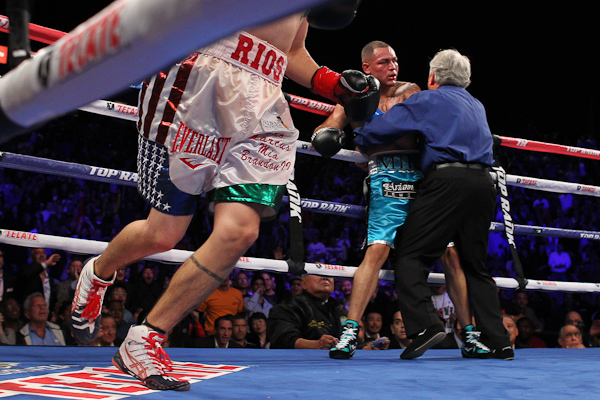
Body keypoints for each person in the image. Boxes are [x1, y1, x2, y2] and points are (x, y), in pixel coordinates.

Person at [70, 4, 373, 391]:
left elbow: (289, 51)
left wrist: (330, 83)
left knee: (240, 231)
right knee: (163, 233)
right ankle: (97, 273)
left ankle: (144, 339)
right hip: (196, 80)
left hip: (261, 100)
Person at [317, 41, 477, 360]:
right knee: (376, 252)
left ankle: (469, 333)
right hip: (384, 180)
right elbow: (326, 130)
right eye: (385, 61)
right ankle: (350, 332)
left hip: (421, 178)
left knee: (451, 257)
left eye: (396, 60)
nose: (393, 66)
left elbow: (417, 131)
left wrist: (369, 139)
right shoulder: (353, 98)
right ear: (366, 67)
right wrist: (330, 137)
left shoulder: (411, 90)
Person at [353, 49, 514, 360]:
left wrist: (362, 135)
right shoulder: (476, 105)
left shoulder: (428, 99)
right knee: (475, 266)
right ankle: (499, 341)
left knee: (410, 253)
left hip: (447, 181)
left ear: (432, 77)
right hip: (484, 184)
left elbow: (376, 131)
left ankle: (426, 325)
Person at [268, 274, 342, 349]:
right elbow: (282, 339)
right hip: (302, 359)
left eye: (328, 273)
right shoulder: (289, 307)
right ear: (303, 284)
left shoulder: (336, 309)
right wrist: (315, 344)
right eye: (318, 273)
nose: (325, 277)